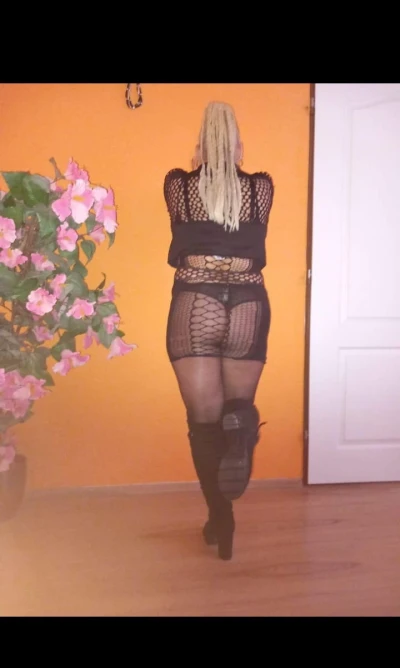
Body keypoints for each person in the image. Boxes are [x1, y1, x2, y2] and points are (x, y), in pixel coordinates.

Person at [163, 101, 274, 561]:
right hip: (249, 301)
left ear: (199, 148)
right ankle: (243, 432)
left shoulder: (178, 184)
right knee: (235, 408)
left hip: (196, 300)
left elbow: (191, 212)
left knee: (202, 423)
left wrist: (200, 164)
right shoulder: (261, 187)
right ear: (239, 147)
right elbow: (245, 221)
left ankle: (220, 521)